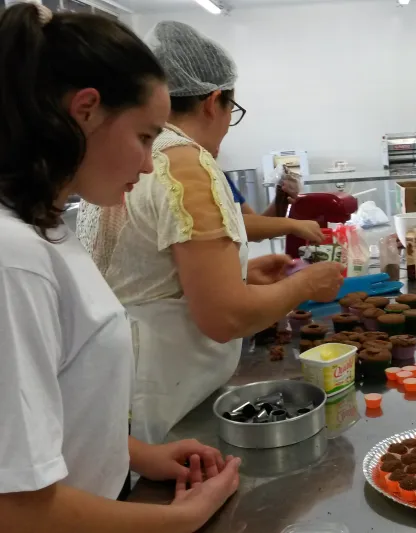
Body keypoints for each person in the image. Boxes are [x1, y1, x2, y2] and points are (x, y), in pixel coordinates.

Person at [0, 3, 242, 531]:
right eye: (145, 136)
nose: (150, 163)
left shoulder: (49, 230)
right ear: (86, 110)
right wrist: (181, 520)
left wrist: (134, 453)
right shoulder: (13, 260)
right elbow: (14, 505)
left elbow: (47, 408)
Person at [77, 21, 344, 445]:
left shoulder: (126, 155)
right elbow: (226, 317)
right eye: (231, 114)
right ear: (213, 101)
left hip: (111, 381)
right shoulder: (186, 163)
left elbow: (146, 275)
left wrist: (241, 274)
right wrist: (308, 283)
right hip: (163, 393)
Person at [223, 170, 324, 243]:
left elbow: (257, 229)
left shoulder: (222, 179)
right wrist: (292, 225)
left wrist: (282, 195)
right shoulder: (208, 184)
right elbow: (229, 227)